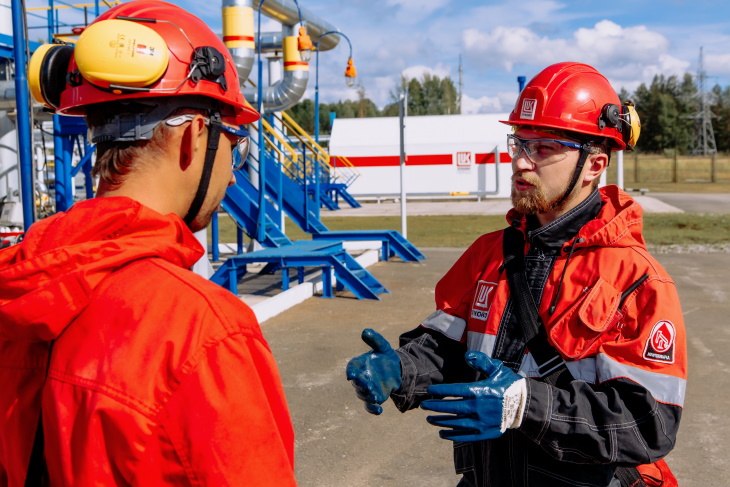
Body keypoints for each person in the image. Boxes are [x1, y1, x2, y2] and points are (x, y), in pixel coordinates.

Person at [346, 62, 686, 487]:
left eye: (544, 147)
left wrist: (526, 404)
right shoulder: (489, 253)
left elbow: (647, 423)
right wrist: (400, 368)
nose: (522, 163)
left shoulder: (637, 279)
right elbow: (447, 348)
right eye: (519, 142)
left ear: (595, 164)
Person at [0, 1, 297, 485]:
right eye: (234, 145)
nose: (230, 170)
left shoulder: (19, 289)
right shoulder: (205, 333)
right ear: (195, 138)